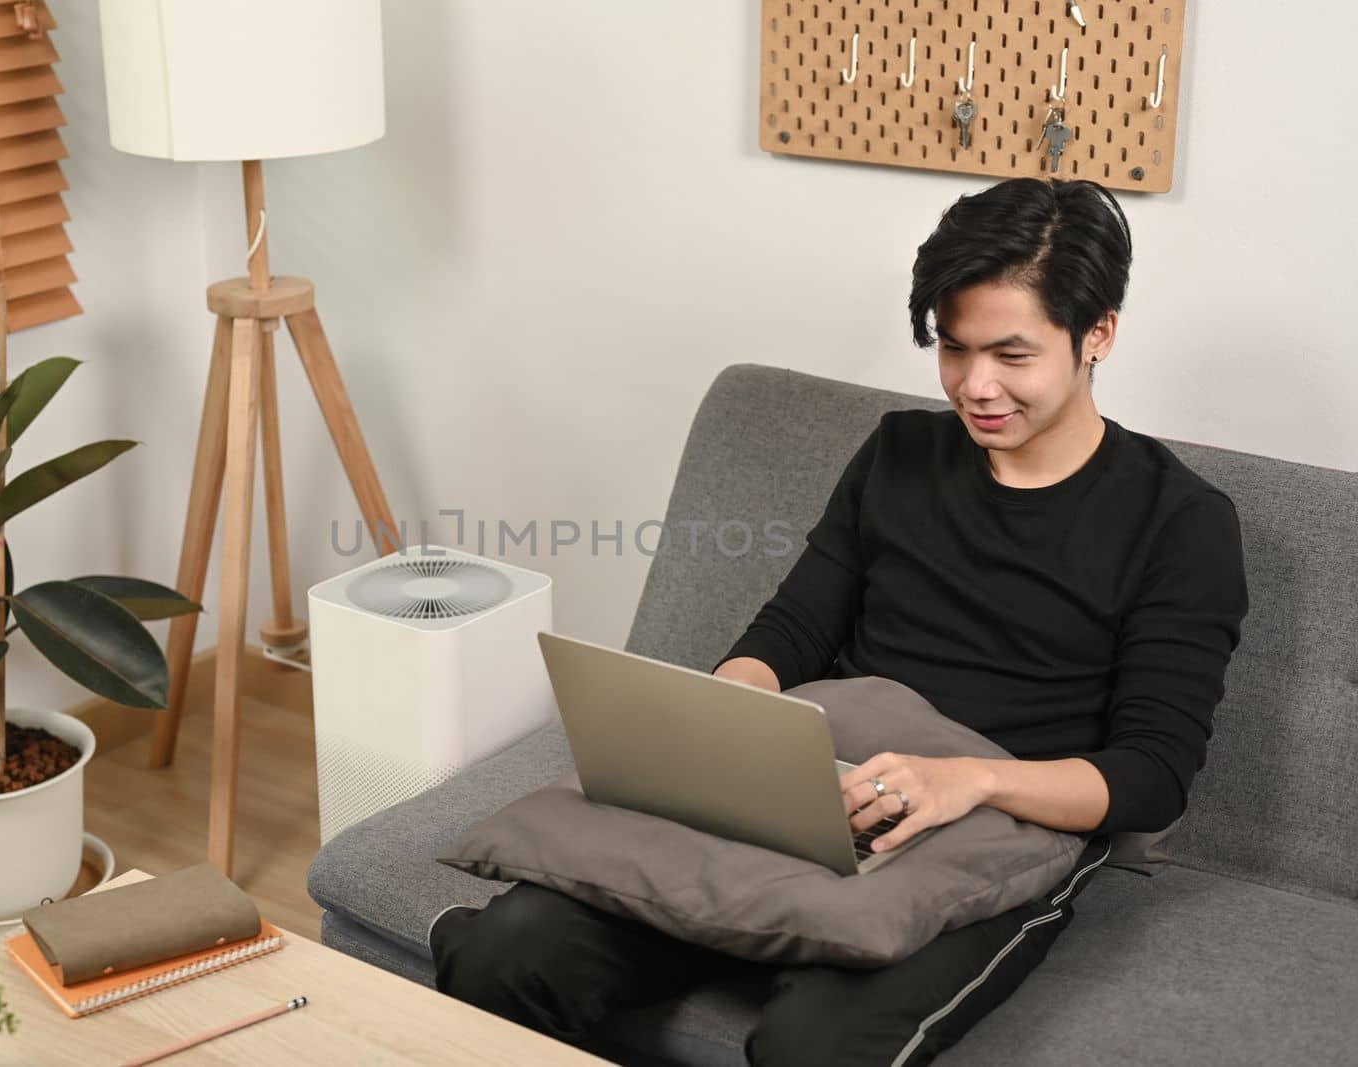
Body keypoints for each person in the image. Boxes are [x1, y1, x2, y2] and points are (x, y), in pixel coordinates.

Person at [428, 177, 1251, 1066]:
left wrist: (965, 781)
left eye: (1013, 356)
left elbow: (1152, 773)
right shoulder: (900, 453)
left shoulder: (1180, 522)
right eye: (953, 347)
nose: (975, 387)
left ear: (1098, 334)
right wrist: (725, 712)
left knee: (815, 1045)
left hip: (993, 827)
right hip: (816, 791)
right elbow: (794, 628)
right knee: (506, 951)